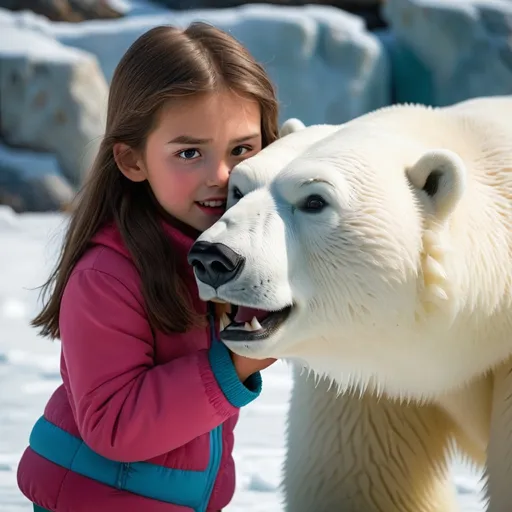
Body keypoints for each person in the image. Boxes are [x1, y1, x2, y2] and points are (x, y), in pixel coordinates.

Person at [17, 22, 279, 512]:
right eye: (189, 153)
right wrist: (236, 365)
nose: (220, 176)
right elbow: (114, 425)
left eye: (242, 149)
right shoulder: (107, 276)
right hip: (92, 499)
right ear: (132, 159)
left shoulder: (227, 257)